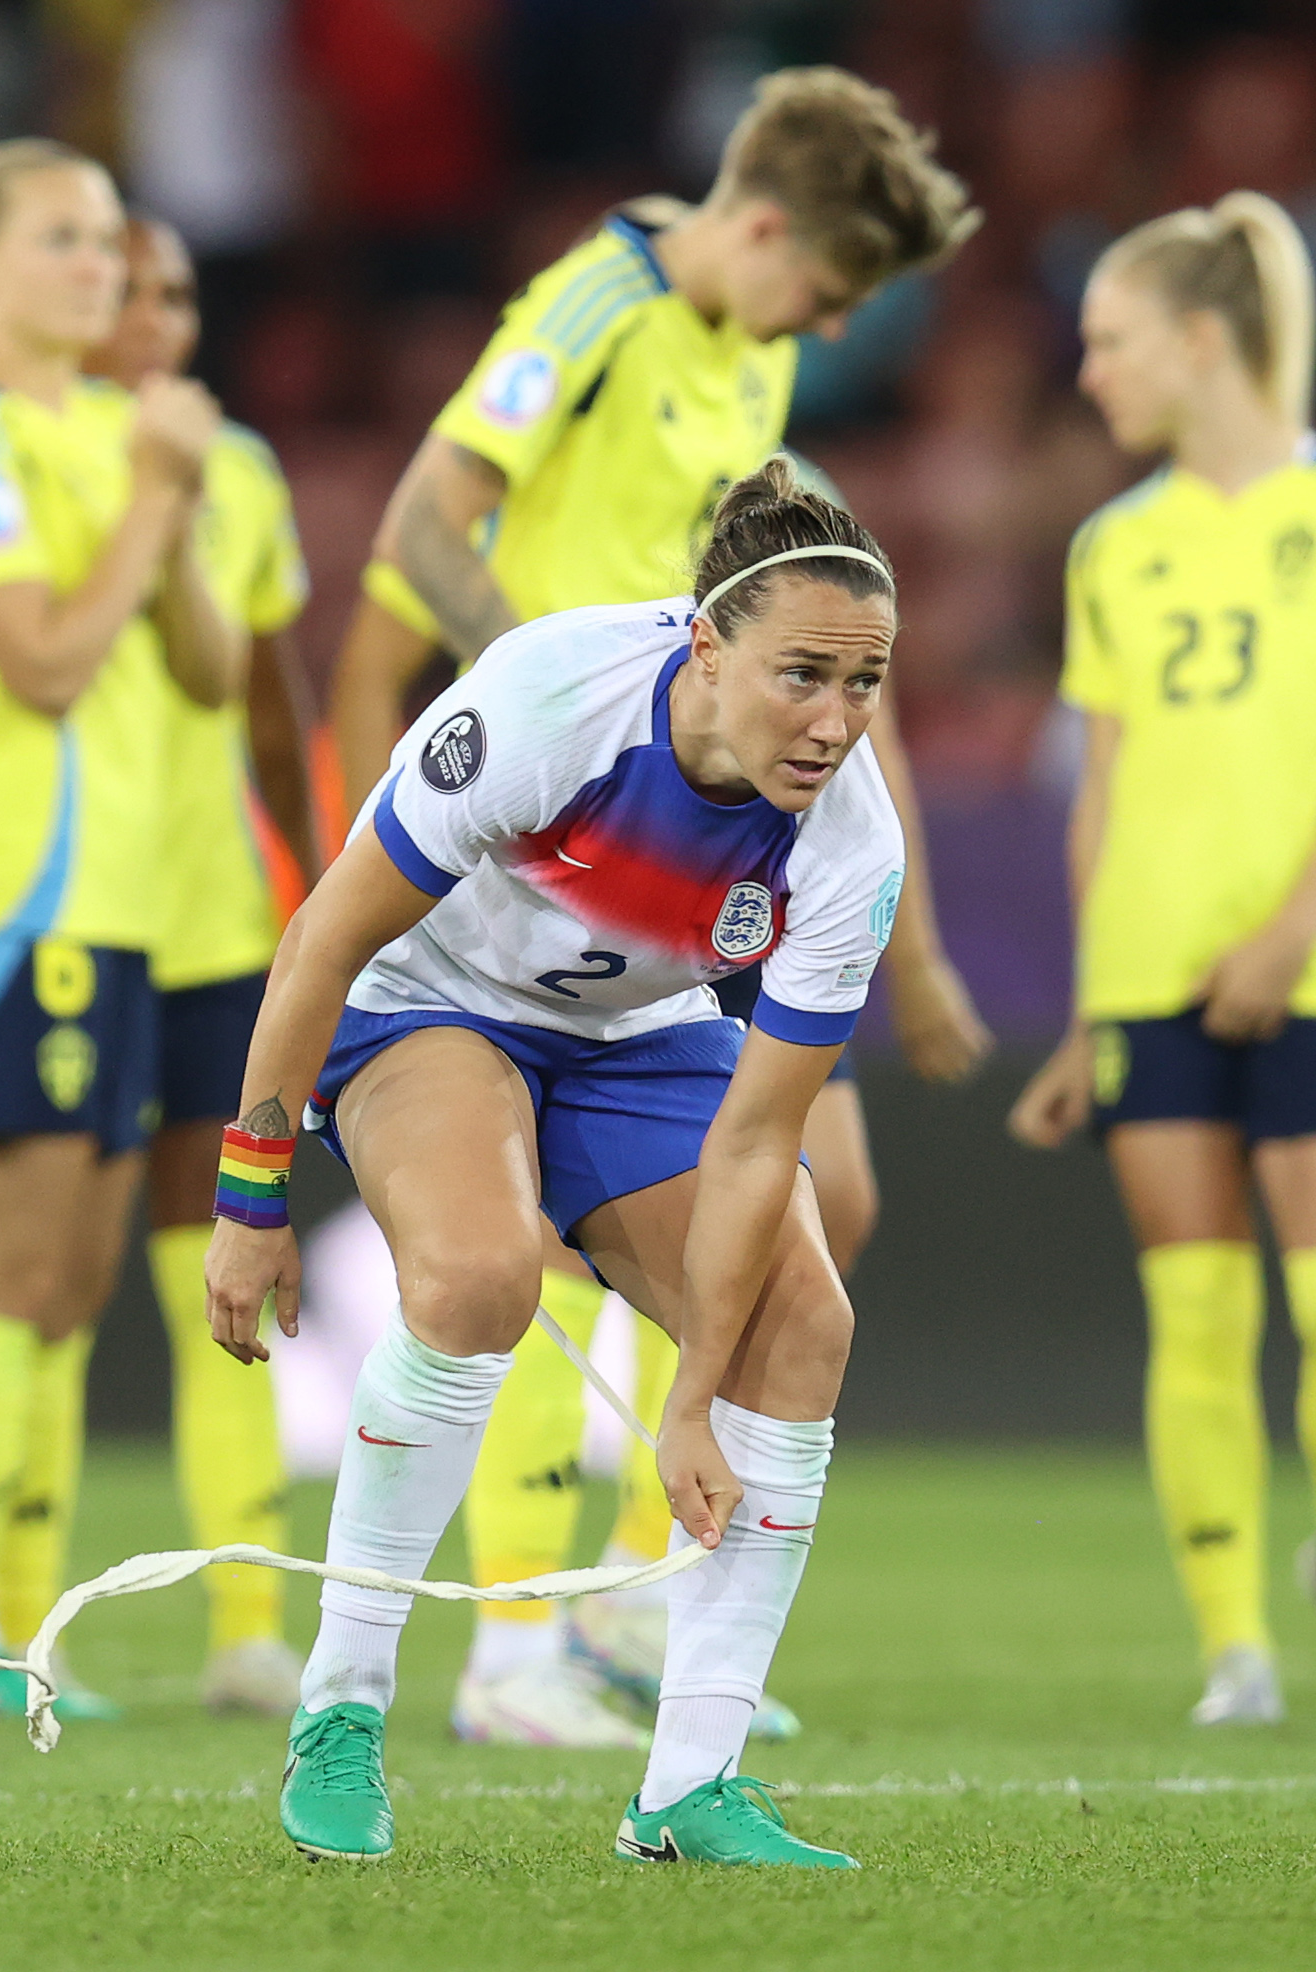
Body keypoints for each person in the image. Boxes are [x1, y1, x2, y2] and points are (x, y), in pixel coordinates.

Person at [317, 67, 987, 1748]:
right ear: (759, 227)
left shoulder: (742, 348)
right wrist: (544, 714)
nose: (821, 327)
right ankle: (516, 1646)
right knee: (517, 1233)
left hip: (682, 849)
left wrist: (904, 944)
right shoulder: (594, 306)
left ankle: (630, 1604)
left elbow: (799, 634)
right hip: (542, 835)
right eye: (823, 291)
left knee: (810, 1205)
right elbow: (419, 522)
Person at [210, 460, 900, 1868]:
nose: (832, 724)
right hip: (427, 997)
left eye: (865, 684)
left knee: (803, 1322)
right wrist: (251, 1194)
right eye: (801, 677)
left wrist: (689, 1403)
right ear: (704, 649)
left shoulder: (851, 842)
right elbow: (325, 940)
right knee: (473, 1281)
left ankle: (687, 1788)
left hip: (637, 1027)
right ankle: (339, 1710)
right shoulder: (547, 701)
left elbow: (762, 1136)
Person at [1010, 193, 1316, 1728]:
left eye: (1110, 340)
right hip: (1148, 982)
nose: (1089, 374)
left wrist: (1282, 933)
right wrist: (1084, 1013)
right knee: (1196, 1320)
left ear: (1203, 343)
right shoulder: (1108, 547)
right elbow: (1103, 798)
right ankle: (1233, 1647)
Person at [0, 138, 244, 1719]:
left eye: (107, 240)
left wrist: (170, 499)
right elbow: (42, 662)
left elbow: (210, 670)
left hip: (120, 915)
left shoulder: (111, 428)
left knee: (70, 1291)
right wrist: (154, 501)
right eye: (64, 240)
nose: (100, 267)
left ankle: (11, 1632)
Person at [74, 212, 318, 1715]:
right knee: (33, 1284)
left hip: (216, 920)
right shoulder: (17, 455)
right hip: (67, 917)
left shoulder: (240, 475)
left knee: (213, 1276)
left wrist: (324, 896)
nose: (156, 316)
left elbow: (272, 706)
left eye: (174, 290)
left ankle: (244, 1624)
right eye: (124, 288)